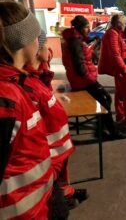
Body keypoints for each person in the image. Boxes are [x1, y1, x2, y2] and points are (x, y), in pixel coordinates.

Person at [0, 0, 54, 219]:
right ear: (24, 41)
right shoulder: (6, 98)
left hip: (34, 206)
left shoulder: (14, 85)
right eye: (36, 36)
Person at [25, 30, 88, 208]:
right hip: (48, 150)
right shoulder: (28, 81)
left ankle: (64, 191)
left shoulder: (40, 72)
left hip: (57, 147)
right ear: (35, 49)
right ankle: (57, 198)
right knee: (52, 176)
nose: (50, 50)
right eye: (45, 45)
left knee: (60, 173)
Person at [62, 15, 126, 139]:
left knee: (106, 99)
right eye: (87, 27)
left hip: (82, 80)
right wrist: (91, 79)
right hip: (83, 81)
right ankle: (111, 132)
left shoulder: (75, 39)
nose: (89, 30)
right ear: (80, 28)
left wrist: (94, 42)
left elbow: (82, 52)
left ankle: (102, 128)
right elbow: (79, 66)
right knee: (105, 99)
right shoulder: (75, 42)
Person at [99, 14, 126, 128]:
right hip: (121, 70)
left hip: (119, 69)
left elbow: (118, 52)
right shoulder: (113, 34)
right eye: (124, 23)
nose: (125, 25)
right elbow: (115, 54)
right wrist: (124, 69)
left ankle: (121, 116)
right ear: (119, 23)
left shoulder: (113, 33)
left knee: (120, 94)